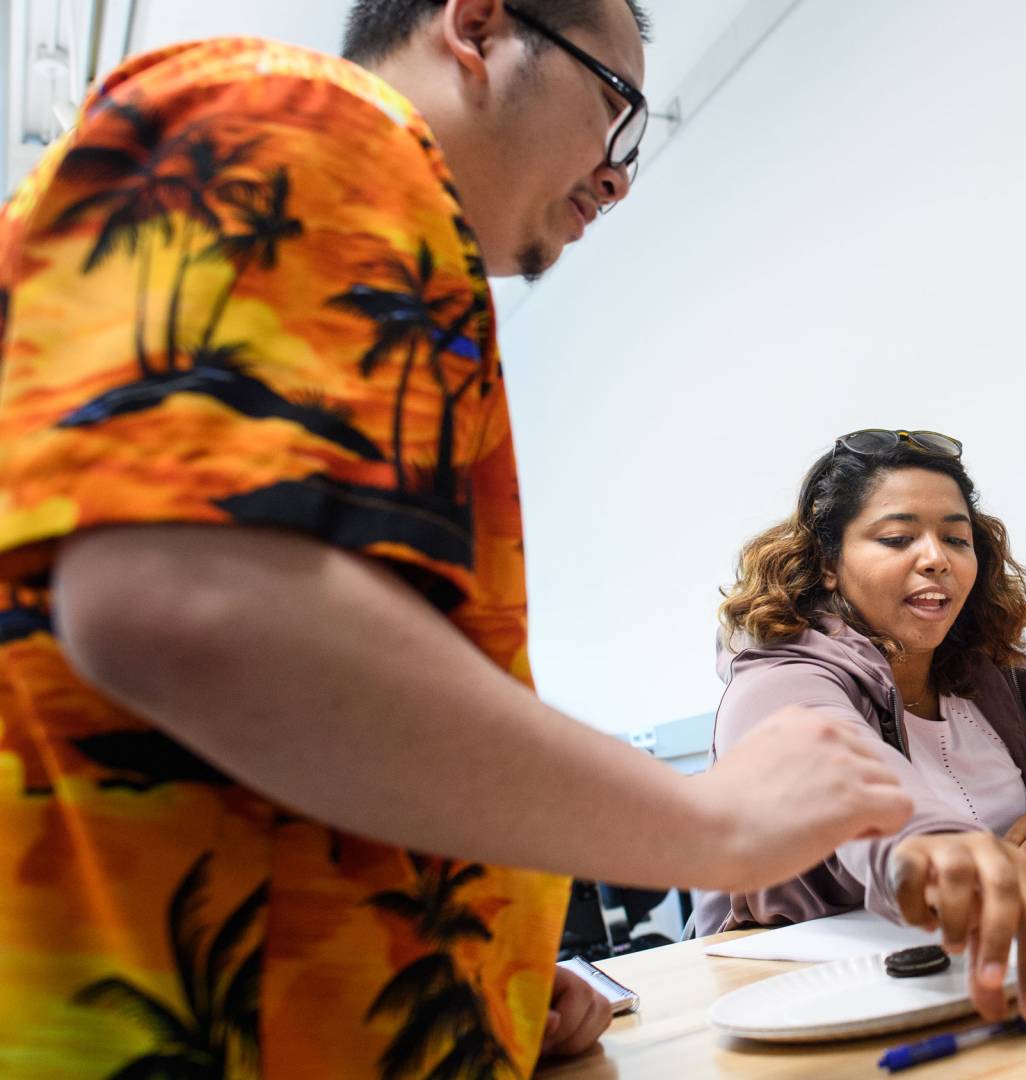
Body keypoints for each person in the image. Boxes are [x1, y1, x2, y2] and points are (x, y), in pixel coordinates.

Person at [0, 1, 911, 1073]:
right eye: (615, 108)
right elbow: (186, 600)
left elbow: (293, 725)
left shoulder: (394, 274)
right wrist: (709, 822)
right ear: (476, 28)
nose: (617, 177)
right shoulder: (308, 115)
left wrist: (479, 962)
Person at [695, 429, 1026, 1022]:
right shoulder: (778, 676)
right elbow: (837, 774)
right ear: (830, 564)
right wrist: (929, 843)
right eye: (898, 538)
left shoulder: (995, 672)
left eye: (956, 538)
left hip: (993, 981)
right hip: (816, 1006)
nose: (936, 558)